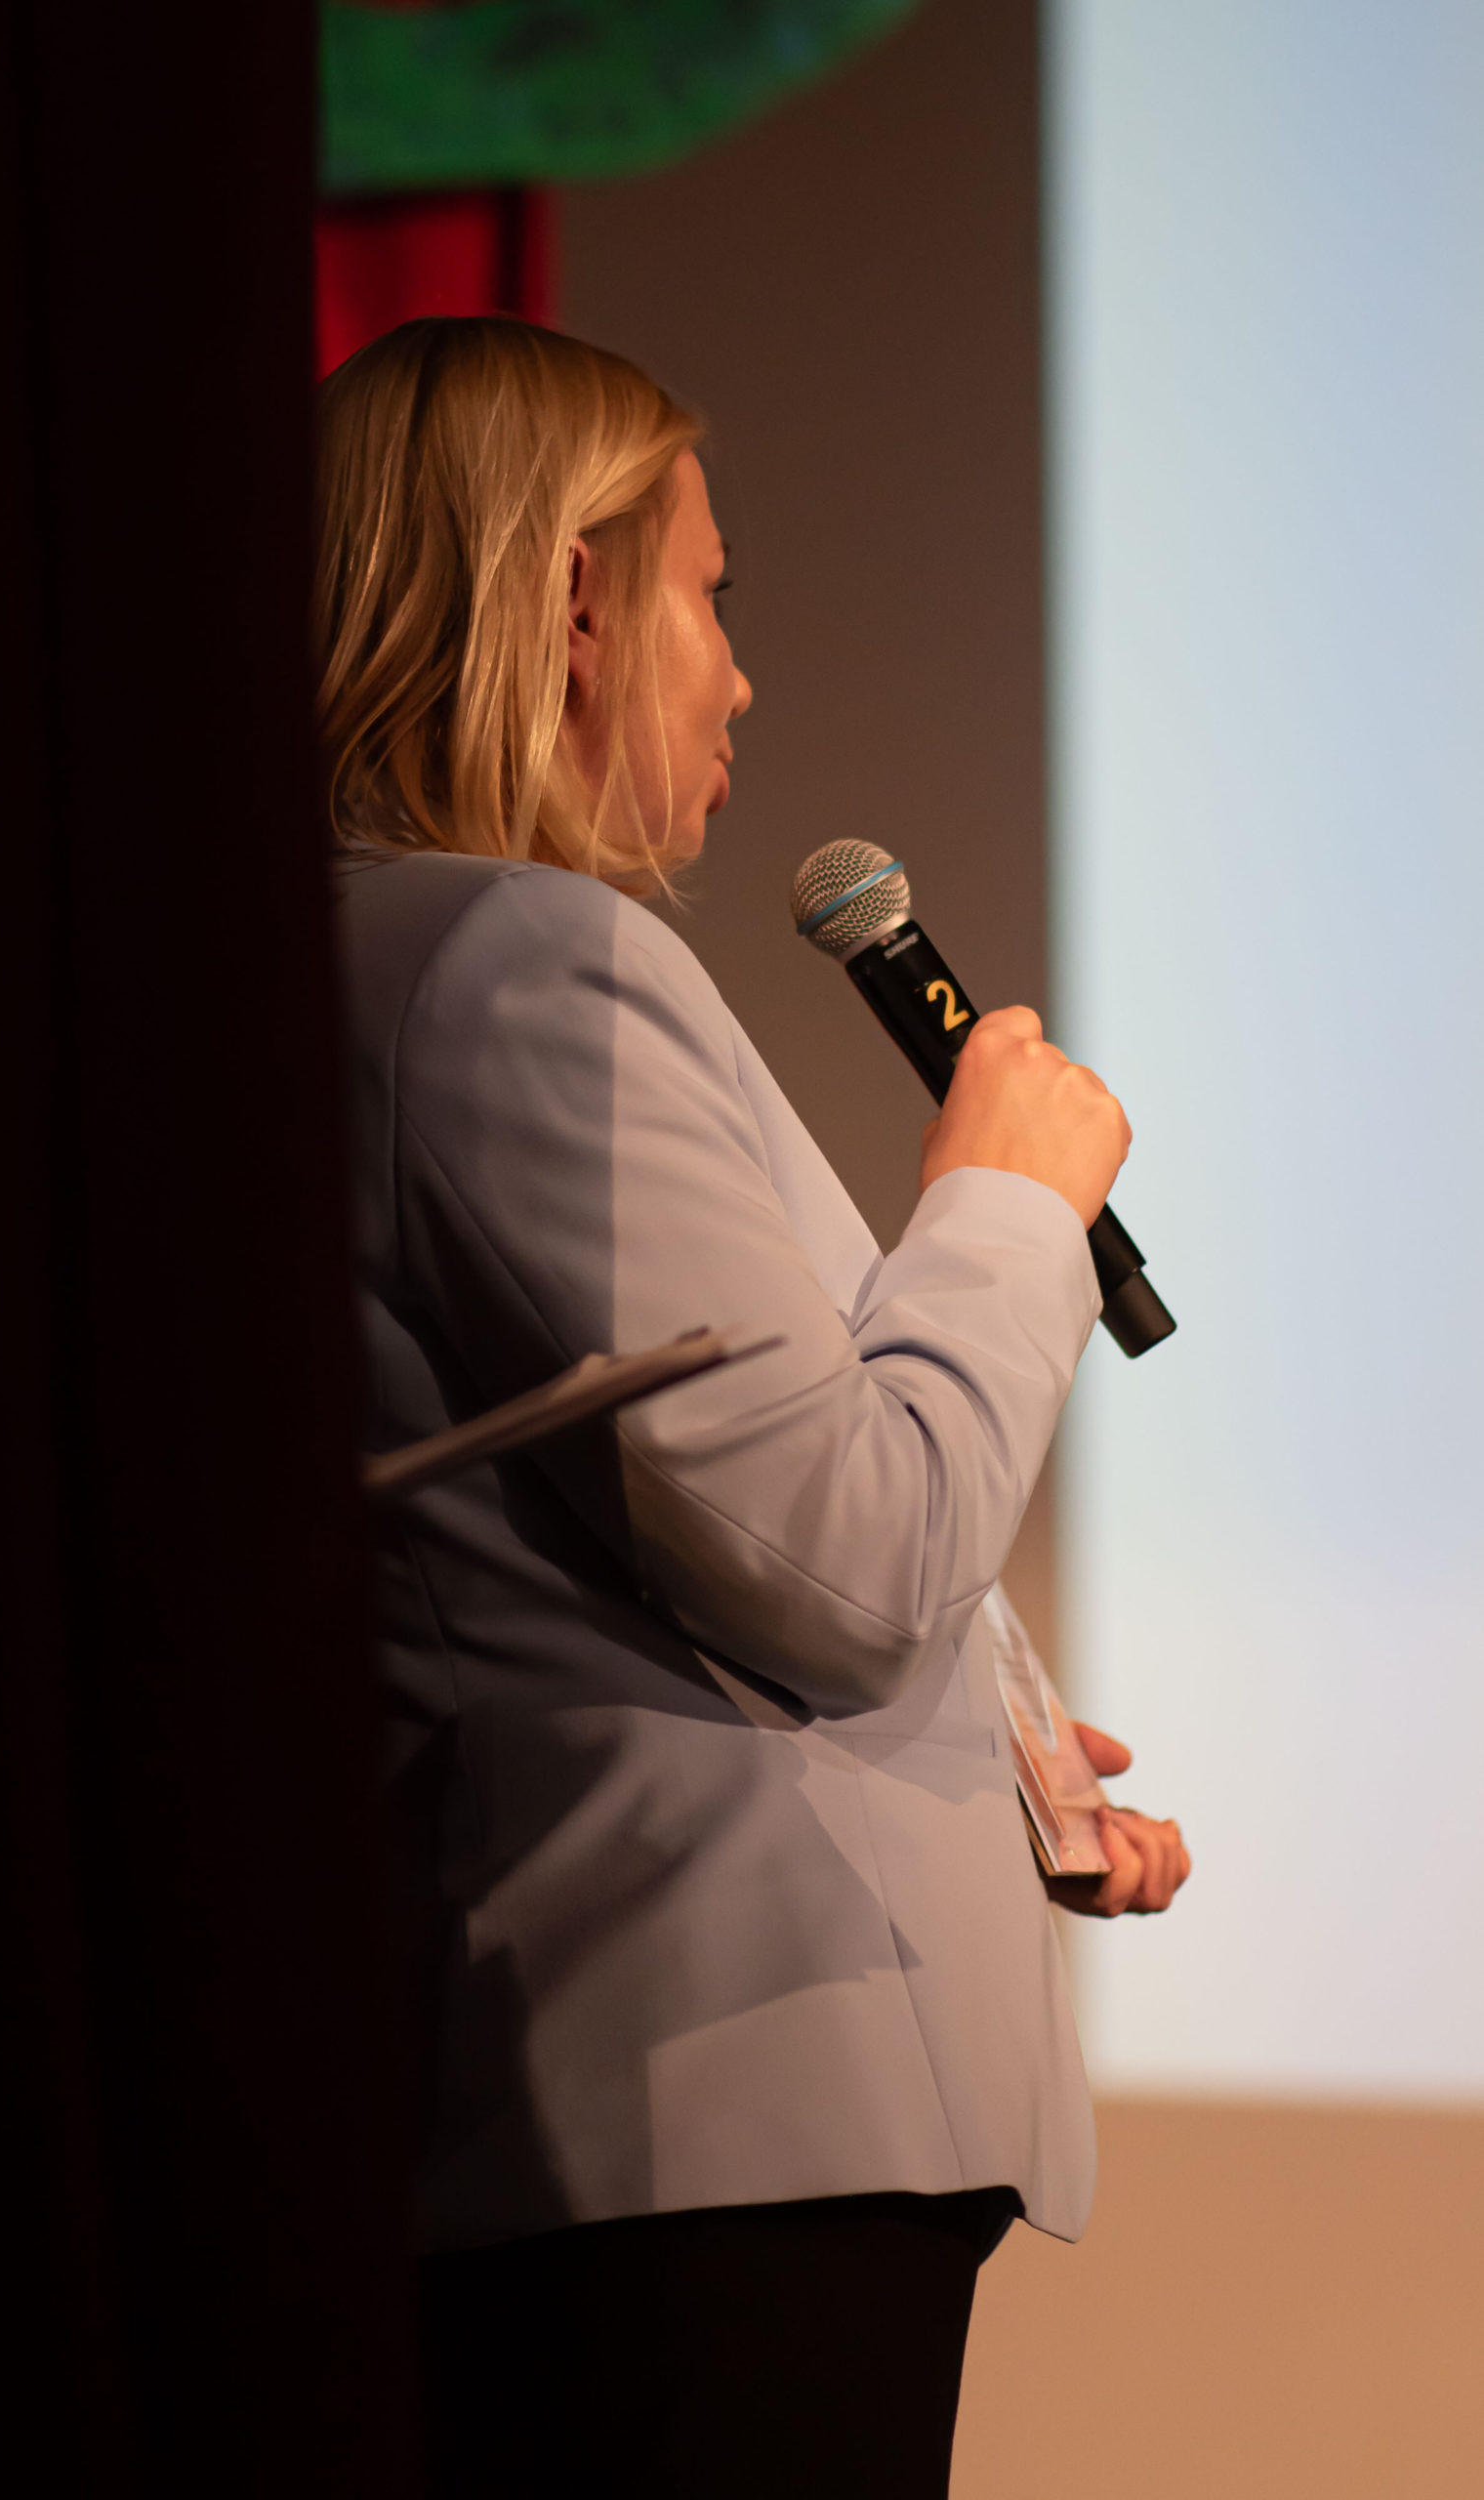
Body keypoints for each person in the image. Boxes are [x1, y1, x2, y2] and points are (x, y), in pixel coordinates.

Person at [318, 316, 1189, 2498]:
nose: (739, 679)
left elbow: (651, 1537)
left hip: (676, 2152)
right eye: (711, 596)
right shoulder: (511, 959)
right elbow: (852, 1557)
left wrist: (980, 1758)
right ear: (573, 603)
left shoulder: (384, 960)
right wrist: (1007, 1198)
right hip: (705, 2152)